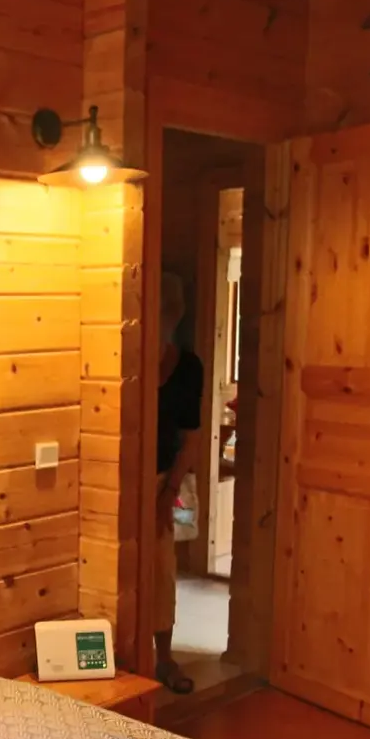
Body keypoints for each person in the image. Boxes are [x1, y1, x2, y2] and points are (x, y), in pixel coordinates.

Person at [154, 270, 204, 693]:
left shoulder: (188, 367)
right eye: (163, 305)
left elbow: (191, 436)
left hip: (160, 477)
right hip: (116, 481)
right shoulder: (126, 359)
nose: (168, 314)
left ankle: (163, 657)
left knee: (161, 570)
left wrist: (169, 490)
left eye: (174, 307)